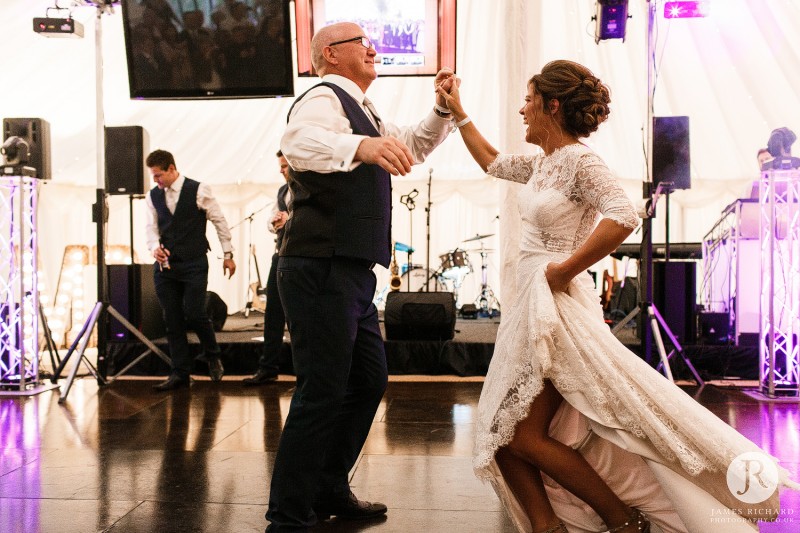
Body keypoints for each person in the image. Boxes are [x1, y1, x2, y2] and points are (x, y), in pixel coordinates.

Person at [436, 60, 796, 533]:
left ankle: (623, 521)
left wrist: (564, 268)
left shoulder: (582, 162)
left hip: (557, 309)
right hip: (528, 302)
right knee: (504, 433)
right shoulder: (544, 163)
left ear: (553, 105)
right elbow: (491, 160)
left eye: (528, 101)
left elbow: (623, 214)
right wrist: (457, 111)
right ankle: (550, 527)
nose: (522, 111)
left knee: (518, 433)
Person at [264, 21, 457, 532]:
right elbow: (299, 142)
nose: (374, 48)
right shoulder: (323, 97)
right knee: (322, 389)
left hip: (350, 272)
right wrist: (361, 149)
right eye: (362, 42)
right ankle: (286, 515)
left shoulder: (366, 112)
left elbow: (410, 145)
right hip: (319, 265)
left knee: (367, 380)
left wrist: (441, 110)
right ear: (330, 53)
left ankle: (328, 487)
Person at [145, 149, 236, 391]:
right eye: (153, 176)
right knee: (171, 318)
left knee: (195, 312)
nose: (156, 180)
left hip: (194, 262)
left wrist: (227, 254)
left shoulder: (199, 189)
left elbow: (219, 221)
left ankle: (213, 355)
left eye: (158, 175)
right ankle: (179, 373)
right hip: (166, 267)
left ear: (172, 169)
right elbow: (151, 228)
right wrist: (155, 248)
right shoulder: (152, 196)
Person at [243, 151, 290, 385]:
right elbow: (272, 221)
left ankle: (307, 372)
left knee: (298, 318)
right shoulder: (282, 192)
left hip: (302, 260)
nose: (281, 170)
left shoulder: (313, 189)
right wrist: (275, 222)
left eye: (284, 166)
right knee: (273, 314)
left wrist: (289, 219)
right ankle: (268, 367)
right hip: (280, 256)